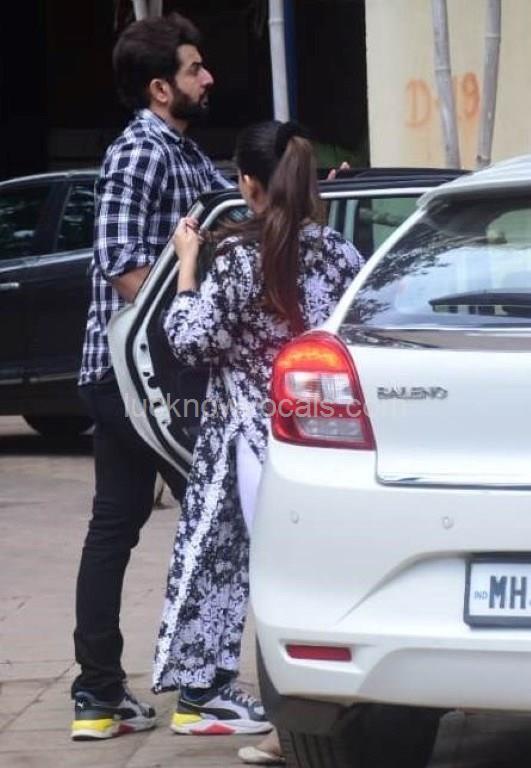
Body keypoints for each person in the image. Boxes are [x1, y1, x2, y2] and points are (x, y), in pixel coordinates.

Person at [154, 120, 364, 741]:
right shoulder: (338, 252)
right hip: (323, 438)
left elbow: (190, 341)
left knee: (225, 563)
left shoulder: (240, 259)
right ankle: (322, 691)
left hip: (245, 439)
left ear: (247, 184)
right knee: (314, 569)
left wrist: (186, 267)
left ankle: (208, 694)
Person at [71, 13, 232, 741]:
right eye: (195, 69)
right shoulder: (139, 151)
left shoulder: (185, 152)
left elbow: (234, 219)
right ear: (161, 87)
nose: (208, 78)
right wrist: (189, 319)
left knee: (120, 523)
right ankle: (199, 691)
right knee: (208, 519)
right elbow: (125, 267)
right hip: (136, 378)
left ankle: (99, 697)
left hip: (145, 377)